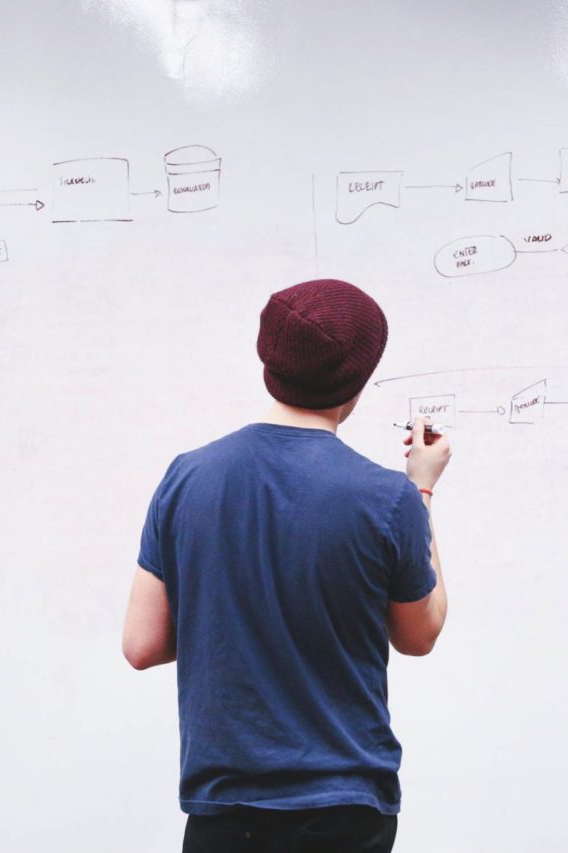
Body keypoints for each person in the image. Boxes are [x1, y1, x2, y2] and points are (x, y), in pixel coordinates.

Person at [121, 278, 450, 852]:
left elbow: (142, 644)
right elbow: (418, 636)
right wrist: (420, 491)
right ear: (359, 377)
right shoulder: (386, 498)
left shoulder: (186, 477)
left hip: (223, 810)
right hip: (343, 810)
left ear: (268, 359)